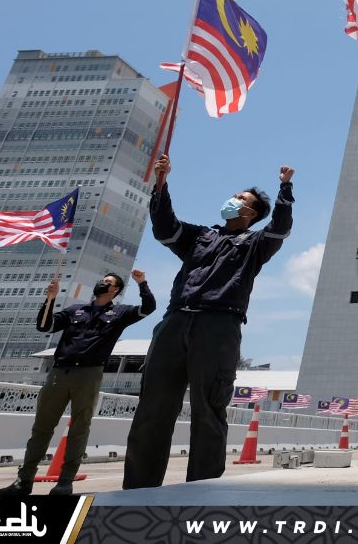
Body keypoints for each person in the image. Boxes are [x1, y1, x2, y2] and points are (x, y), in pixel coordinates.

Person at [122, 154, 294, 488]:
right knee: (153, 408)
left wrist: (285, 189)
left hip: (219, 327)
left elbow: (280, 229)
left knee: (209, 409)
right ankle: (138, 490)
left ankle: (202, 491)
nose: (232, 201)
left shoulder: (256, 244)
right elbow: (164, 227)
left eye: (241, 200)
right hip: (174, 322)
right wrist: (161, 182)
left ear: (251, 213)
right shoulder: (199, 237)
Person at [0, 270, 155, 497]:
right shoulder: (75, 311)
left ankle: (65, 481)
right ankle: (24, 480)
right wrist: (50, 299)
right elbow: (45, 326)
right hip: (59, 373)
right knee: (41, 428)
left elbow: (148, 308)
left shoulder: (120, 313)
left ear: (115, 290)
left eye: (107, 282)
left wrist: (142, 283)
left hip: (88, 374)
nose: (101, 283)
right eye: (102, 279)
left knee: (79, 428)